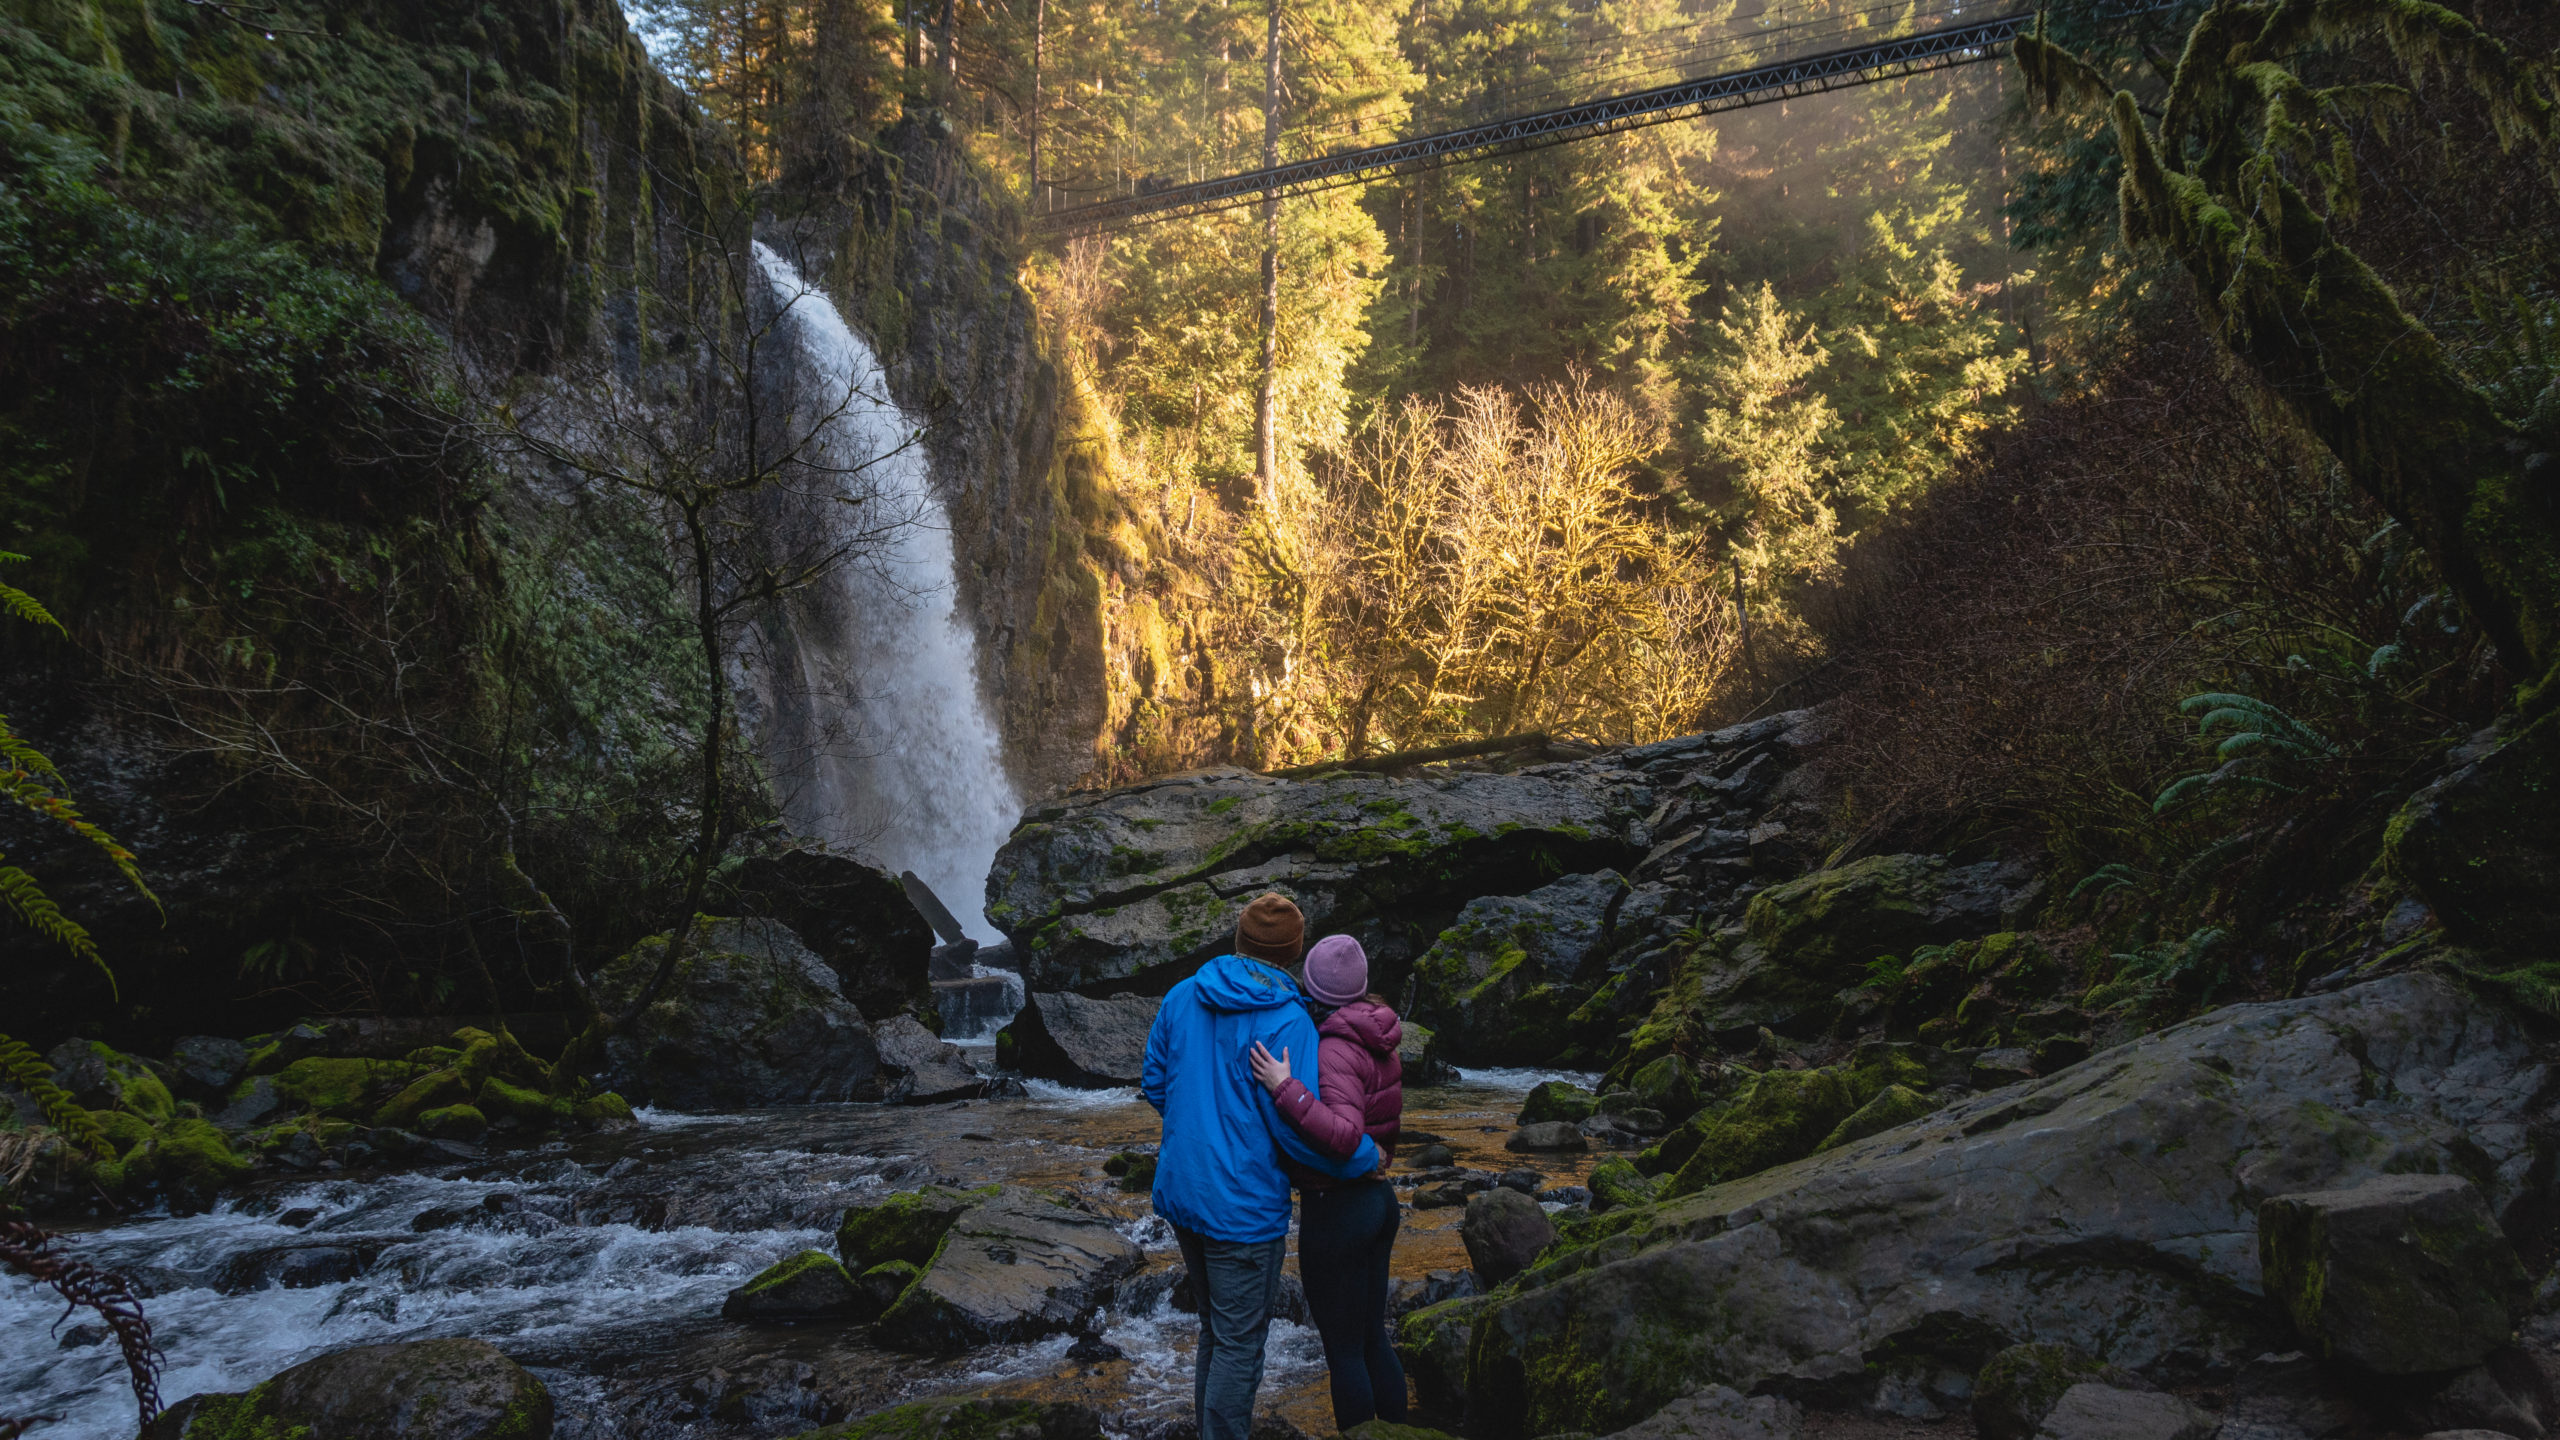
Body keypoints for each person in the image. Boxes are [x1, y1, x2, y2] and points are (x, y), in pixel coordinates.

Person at [1143, 893, 1380, 1440]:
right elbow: (1296, 1136)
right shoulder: (1290, 1018)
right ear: (1295, 954)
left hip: (1183, 1191)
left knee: (1215, 1331)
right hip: (1243, 1207)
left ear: (1238, 939)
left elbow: (1155, 1083)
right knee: (1239, 1345)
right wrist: (1366, 1156)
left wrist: (1196, 1130)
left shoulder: (1182, 996)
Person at [1247, 933, 1408, 1429]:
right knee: (1372, 1337)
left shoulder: (1336, 1046)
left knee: (1344, 1352)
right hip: (1378, 1202)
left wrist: (1285, 1088)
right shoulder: (1375, 1031)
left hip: (1339, 1211)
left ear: (1314, 989)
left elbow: (1343, 1135)